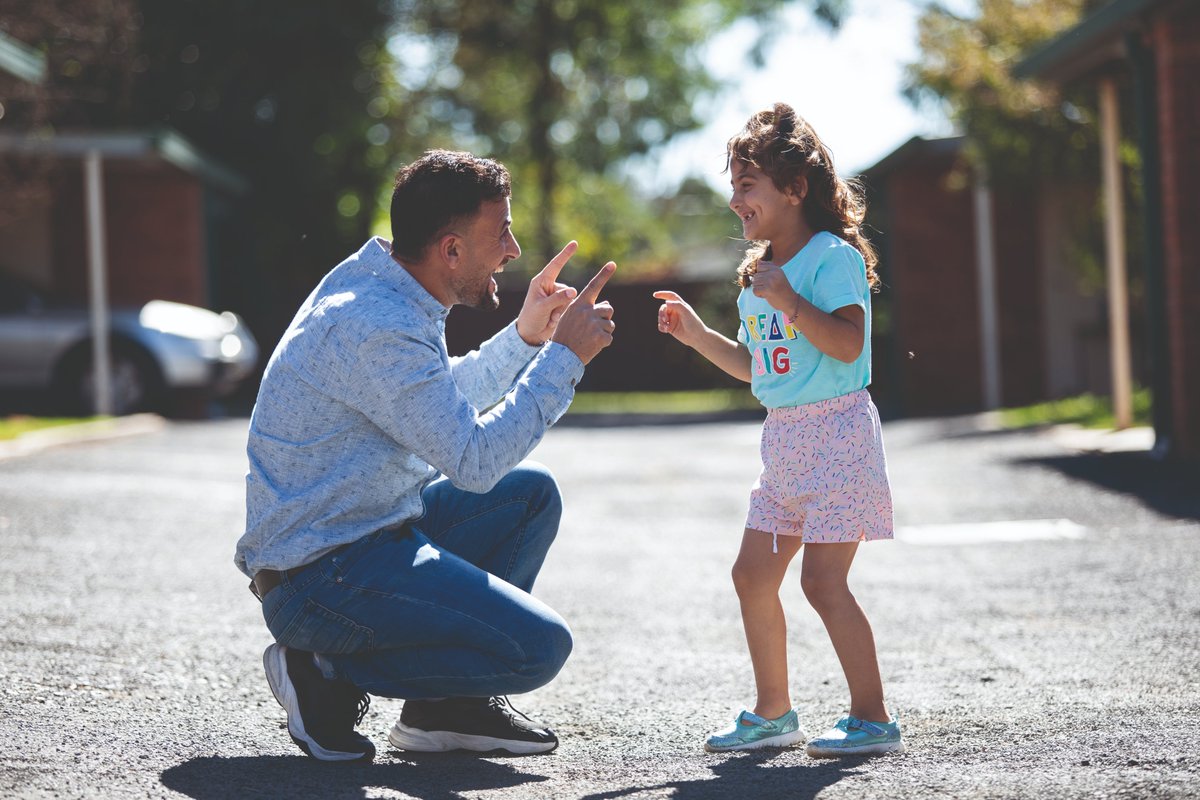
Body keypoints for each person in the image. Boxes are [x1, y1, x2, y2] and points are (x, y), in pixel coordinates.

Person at [235, 149, 617, 762]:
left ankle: (445, 712)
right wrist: (563, 360)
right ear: (452, 250)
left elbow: (434, 404)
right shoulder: (377, 322)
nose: (514, 250)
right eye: (503, 232)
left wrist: (526, 337)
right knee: (537, 648)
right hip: (322, 578)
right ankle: (324, 669)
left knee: (528, 494)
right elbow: (471, 459)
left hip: (365, 535)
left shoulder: (386, 287)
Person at [653, 103, 902, 758]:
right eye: (733, 185)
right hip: (784, 444)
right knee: (752, 576)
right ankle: (773, 713)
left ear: (794, 189)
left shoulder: (829, 258)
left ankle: (873, 719)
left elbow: (849, 345)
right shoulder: (756, 276)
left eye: (747, 184)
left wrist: (789, 299)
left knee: (823, 583)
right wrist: (695, 333)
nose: (735, 200)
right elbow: (755, 367)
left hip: (839, 438)